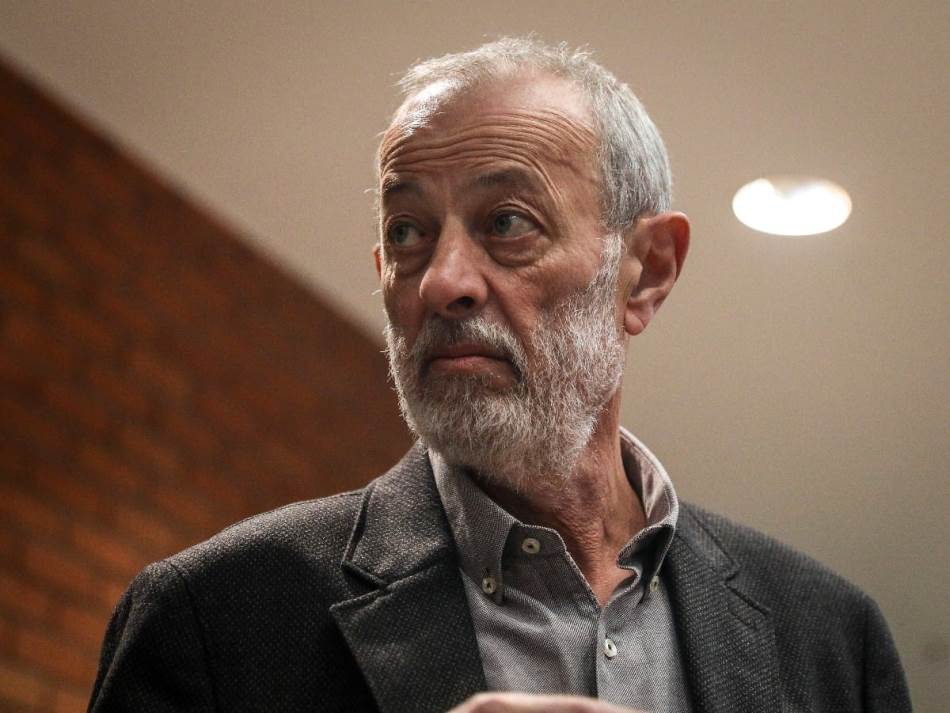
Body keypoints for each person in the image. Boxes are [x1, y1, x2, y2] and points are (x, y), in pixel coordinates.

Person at [88, 38, 912, 713]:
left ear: (647, 272)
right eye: (407, 232)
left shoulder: (832, 639)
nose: (441, 282)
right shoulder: (211, 618)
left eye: (508, 222)